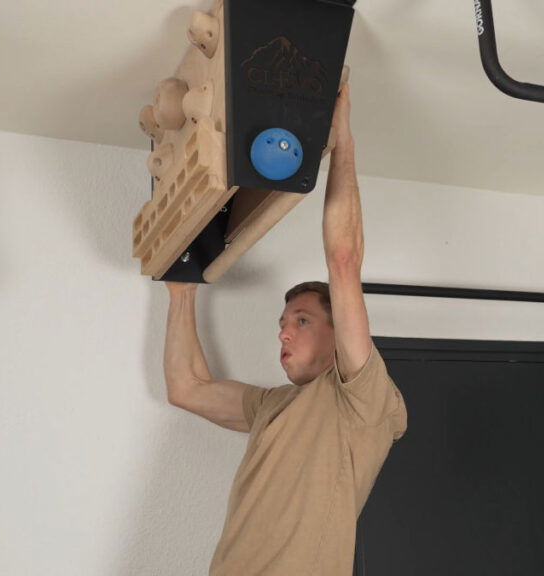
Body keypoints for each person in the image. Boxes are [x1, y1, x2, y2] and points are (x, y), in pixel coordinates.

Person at [162, 83, 408, 576]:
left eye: (301, 320)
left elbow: (342, 260)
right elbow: (186, 389)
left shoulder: (363, 402)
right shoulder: (273, 405)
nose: (284, 334)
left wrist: (342, 140)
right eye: (282, 324)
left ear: (338, 334)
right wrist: (182, 291)